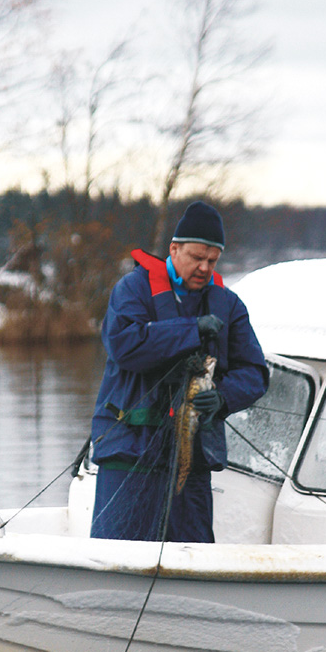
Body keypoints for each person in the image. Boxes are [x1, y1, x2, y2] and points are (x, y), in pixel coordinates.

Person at [89, 201, 269, 542]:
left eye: (212, 261)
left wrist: (223, 398)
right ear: (174, 249)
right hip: (130, 452)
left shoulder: (229, 305)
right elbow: (124, 346)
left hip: (193, 457)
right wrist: (191, 330)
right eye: (196, 257)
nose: (204, 267)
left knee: (193, 557)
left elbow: (255, 373)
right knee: (120, 557)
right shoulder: (133, 290)